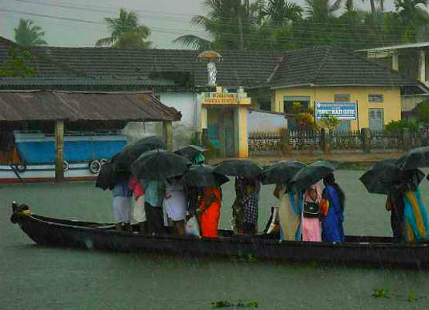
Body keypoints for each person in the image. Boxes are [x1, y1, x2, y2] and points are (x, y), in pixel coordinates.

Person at [321, 173, 345, 243]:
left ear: (325, 181)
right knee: (337, 234)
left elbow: (326, 205)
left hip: (330, 216)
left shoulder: (328, 190)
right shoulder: (337, 189)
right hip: (337, 216)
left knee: (330, 235)